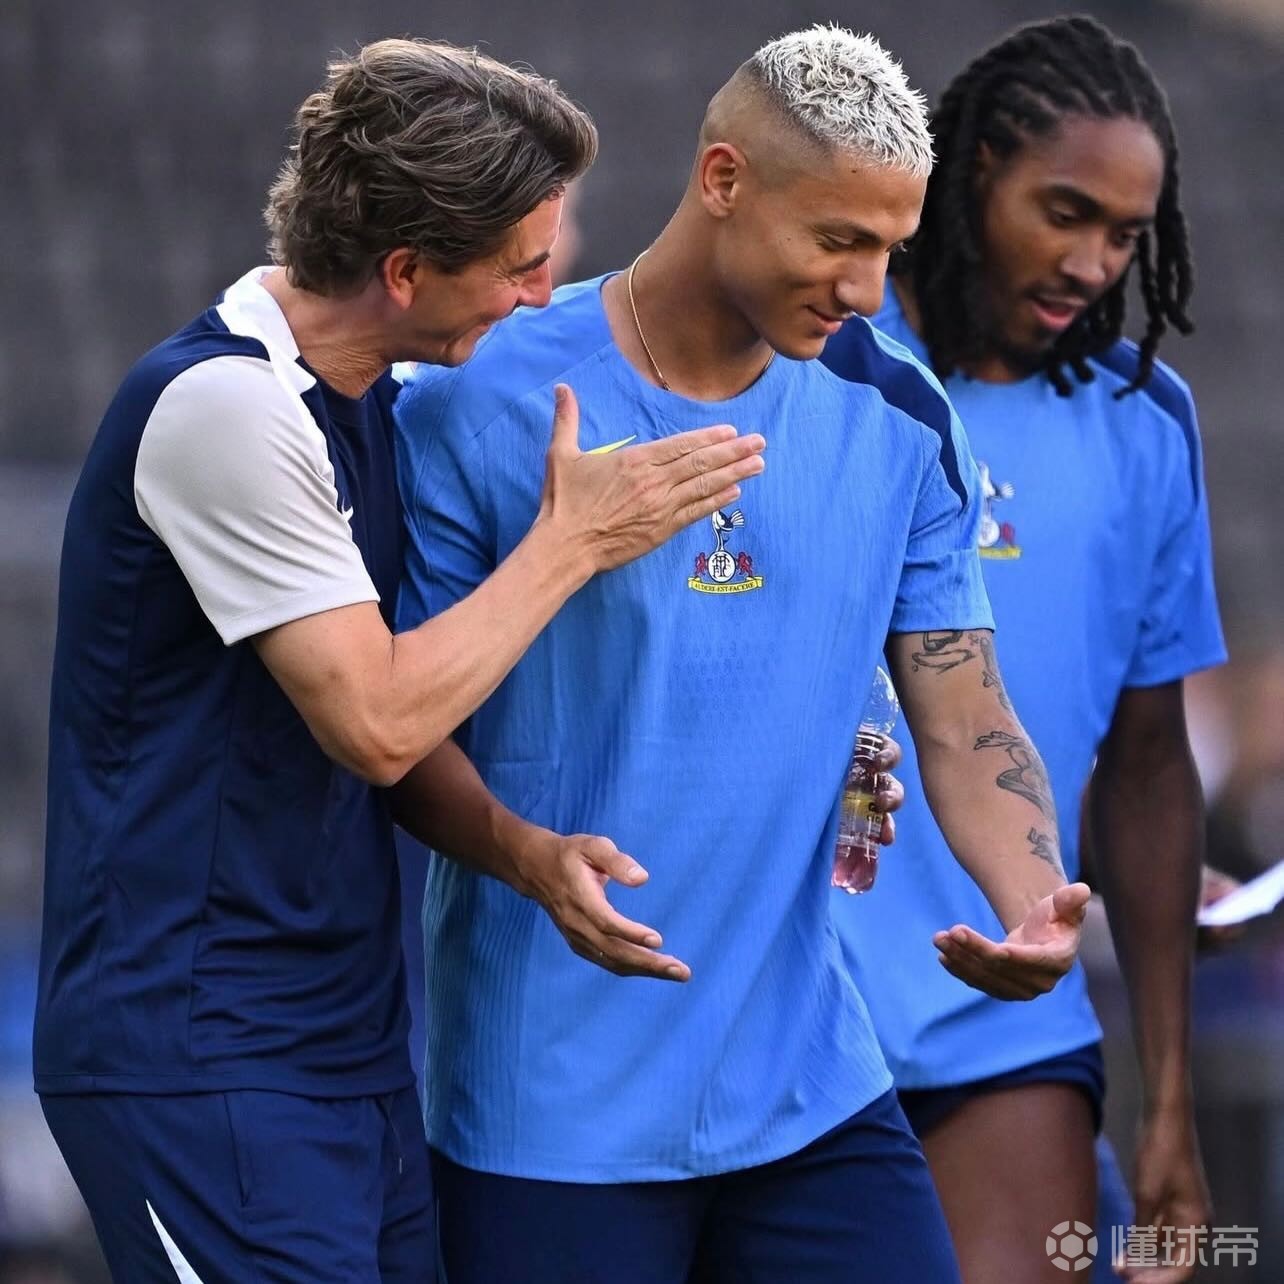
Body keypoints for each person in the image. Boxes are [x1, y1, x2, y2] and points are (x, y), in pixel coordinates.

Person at [34, 38, 767, 1284]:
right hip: (197, 1053)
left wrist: (526, 855)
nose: (542, 293)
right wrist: (574, 541)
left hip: (346, 1051)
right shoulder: (225, 407)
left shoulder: (371, 397)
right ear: (406, 270)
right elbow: (375, 721)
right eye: (521, 265)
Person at [393, 26, 1092, 1284]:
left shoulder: (899, 409)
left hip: (810, 1087)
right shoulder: (475, 394)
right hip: (550, 1100)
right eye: (838, 240)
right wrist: (527, 857)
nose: (867, 288)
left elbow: (964, 712)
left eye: (890, 250)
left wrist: (1032, 900)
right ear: (725, 179)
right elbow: (398, 730)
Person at [823, 17, 1225, 1283]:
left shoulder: (1144, 422)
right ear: (978, 168)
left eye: (1126, 235)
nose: (1095, 263)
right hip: (779, 1002)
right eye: (1066, 213)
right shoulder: (821, 356)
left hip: (1002, 1022)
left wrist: (1167, 1103)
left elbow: (1149, 764)